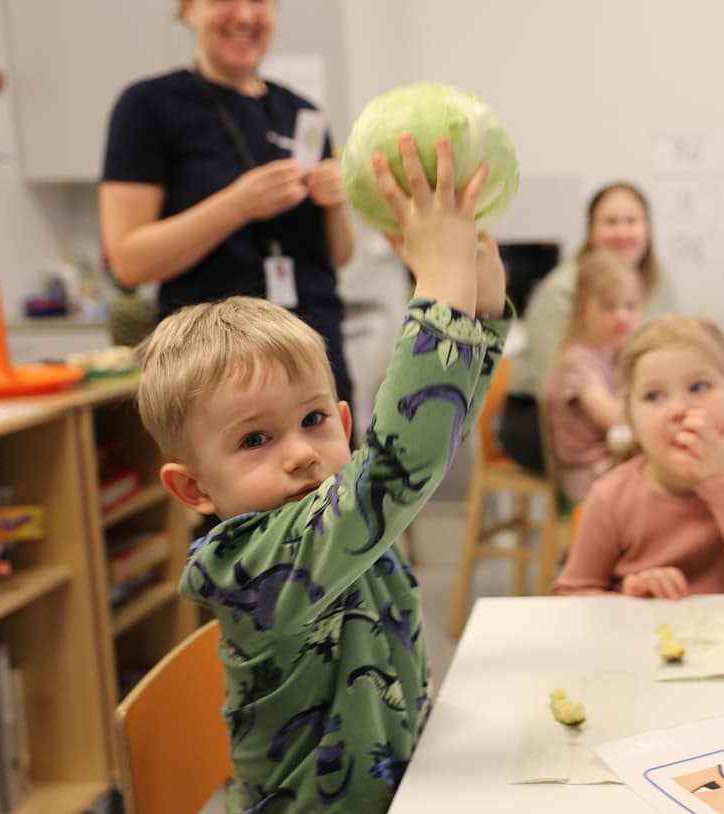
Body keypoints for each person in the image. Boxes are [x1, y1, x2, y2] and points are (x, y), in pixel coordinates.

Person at [139, 136, 510, 812]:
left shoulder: (339, 509)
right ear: (193, 489)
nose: (300, 453)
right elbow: (403, 463)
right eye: (255, 439)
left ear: (344, 422)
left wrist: (479, 316)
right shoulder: (250, 564)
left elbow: (435, 433)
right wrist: (440, 288)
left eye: (313, 420)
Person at [100, 0, 357, 404]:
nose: (245, 15)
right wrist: (237, 205)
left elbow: (338, 255)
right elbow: (128, 262)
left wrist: (337, 202)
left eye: (258, 1)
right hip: (213, 369)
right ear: (189, 10)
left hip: (315, 351)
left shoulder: (303, 112)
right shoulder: (148, 106)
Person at [552, 316, 724, 599]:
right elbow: (572, 594)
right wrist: (629, 597)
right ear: (632, 421)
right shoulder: (611, 497)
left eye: (698, 388)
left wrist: (723, 478)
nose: (678, 409)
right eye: (654, 396)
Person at [500, 182, 680, 471]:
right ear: (591, 230)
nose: (623, 232)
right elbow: (556, 377)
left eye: (631, 221)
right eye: (611, 222)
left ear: (647, 228)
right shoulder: (562, 290)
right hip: (552, 415)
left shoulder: (659, 281)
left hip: (623, 404)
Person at [543, 250, 642, 502]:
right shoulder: (578, 361)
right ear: (581, 314)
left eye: (630, 306)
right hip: (588, 472)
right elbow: (610, 416)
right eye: (609, 306)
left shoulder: (616, 354)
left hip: (612, 461)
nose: (622, 316)